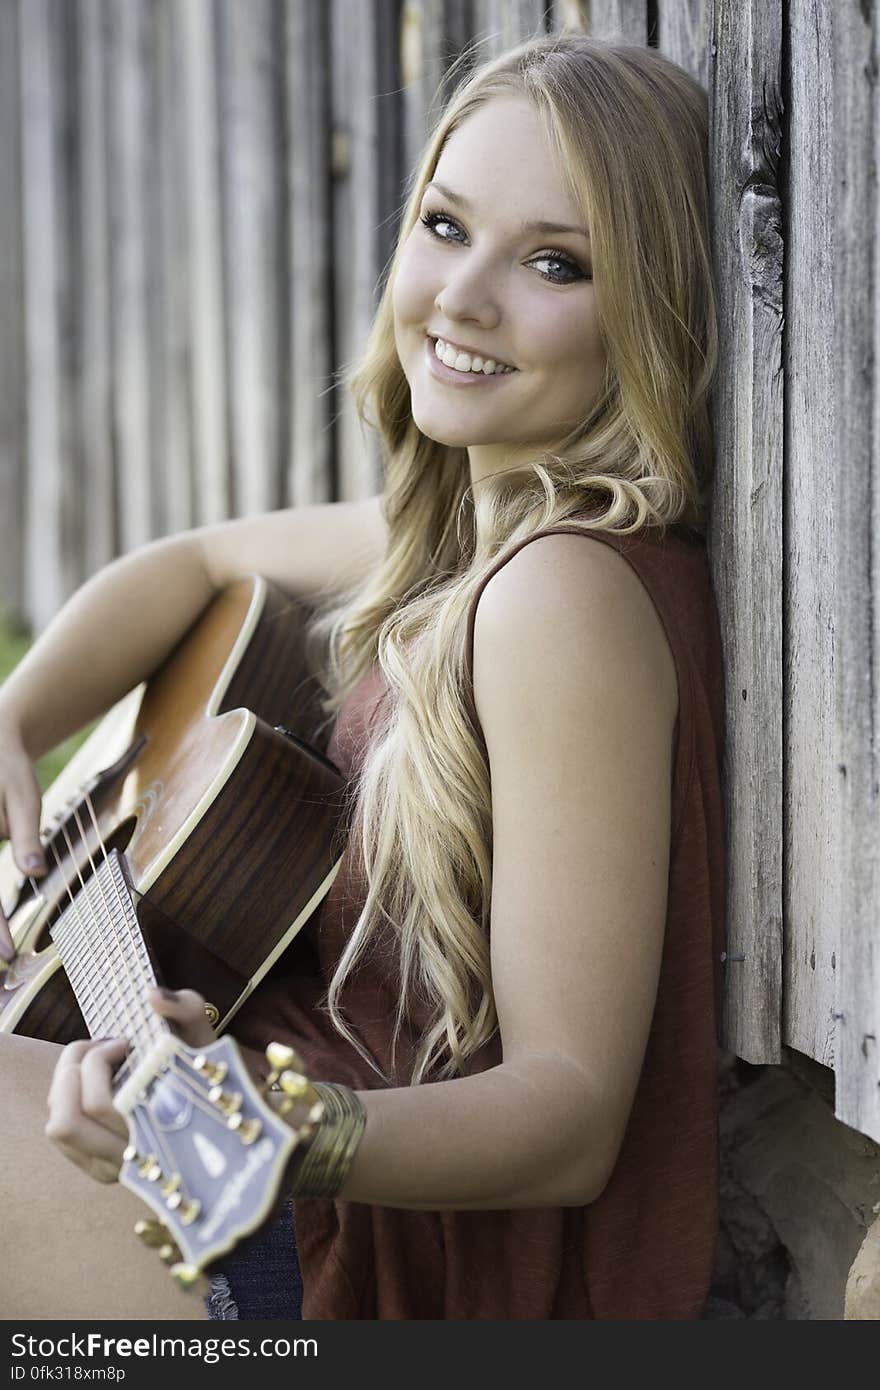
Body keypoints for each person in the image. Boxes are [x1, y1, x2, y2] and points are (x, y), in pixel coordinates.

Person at [0, 31, 726, 1320]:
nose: (464, 297)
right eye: (446, 227)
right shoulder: (467, 542)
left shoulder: (562, 597)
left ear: (649, 310)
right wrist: (16, 718)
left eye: (554, 262)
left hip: (382, 1261)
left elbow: (570, 1116)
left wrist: (276, 1125)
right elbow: (198, 557)